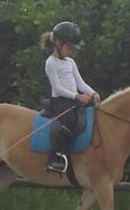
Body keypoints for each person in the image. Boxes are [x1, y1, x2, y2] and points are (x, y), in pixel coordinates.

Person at [41, 21, 100, 173]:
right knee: (68, 122)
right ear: (58, 43)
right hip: (60, 102)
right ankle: (55, 157)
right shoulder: (51, 63)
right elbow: (57, 88)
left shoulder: (70, 62)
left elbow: (80, 83)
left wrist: (93, 93)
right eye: (69, 47)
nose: (71, 51)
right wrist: (78, 97)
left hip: (73, 100)